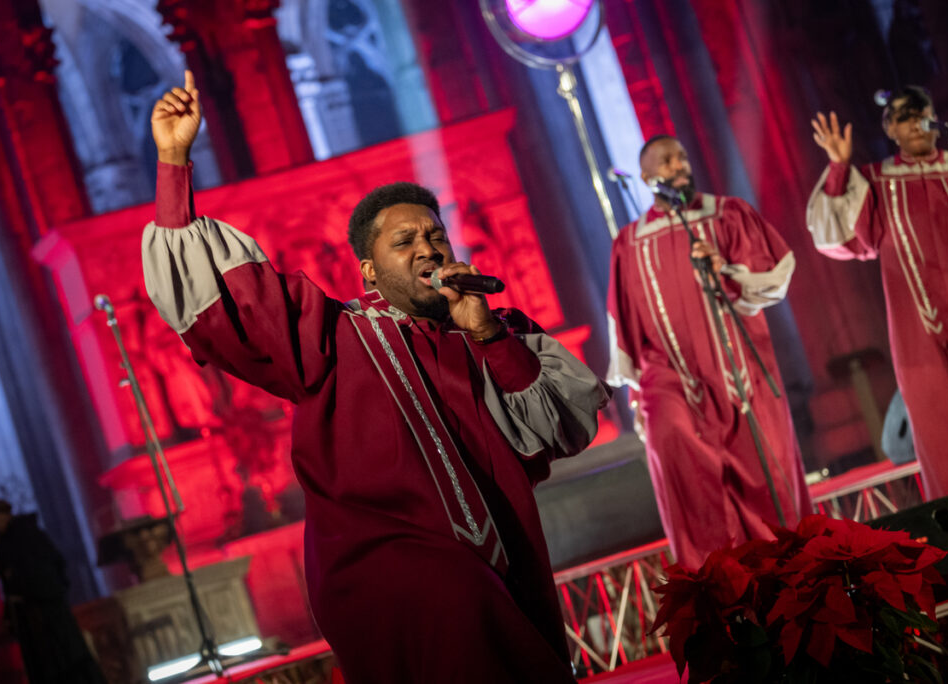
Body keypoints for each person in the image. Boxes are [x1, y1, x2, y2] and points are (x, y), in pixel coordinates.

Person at [144, 72, 608, 684]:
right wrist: (175, 161)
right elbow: (230, 299)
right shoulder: (331, 336)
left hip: (501, 553)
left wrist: (487, 333)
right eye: (405, 240)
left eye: (435, 236)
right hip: (381, 563)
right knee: (457, 605)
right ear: (368, 267)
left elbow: (562, 427)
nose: (429, 249)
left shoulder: (496, 331)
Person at [606, 135, 812, 570]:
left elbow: (773, 278)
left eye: (682, 155)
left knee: (769, 494)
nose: (679, 164)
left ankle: (795, 584)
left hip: (740, 375)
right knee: (681, 459)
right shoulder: (630, 243)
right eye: (666, 160)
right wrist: (638, 397)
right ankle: (716, 593)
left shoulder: (727, 215)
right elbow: (624, 326)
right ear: (645, 177)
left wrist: (725, 269)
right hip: (670, 380)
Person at [807, 86, 948, 500]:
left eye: (919, 112)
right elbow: (837, 233)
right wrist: (838, 166)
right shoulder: (876, 183)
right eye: (902, 116)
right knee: (941, 429)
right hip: (918, 332)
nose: (914, 122)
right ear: (889, 129)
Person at [0, 499, 106, 683]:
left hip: (45, 616)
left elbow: (42, 575)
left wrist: (24, 591)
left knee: (61, 662)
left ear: (3, 516)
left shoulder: (26, 539)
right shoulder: (12, 543)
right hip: (37, 616)